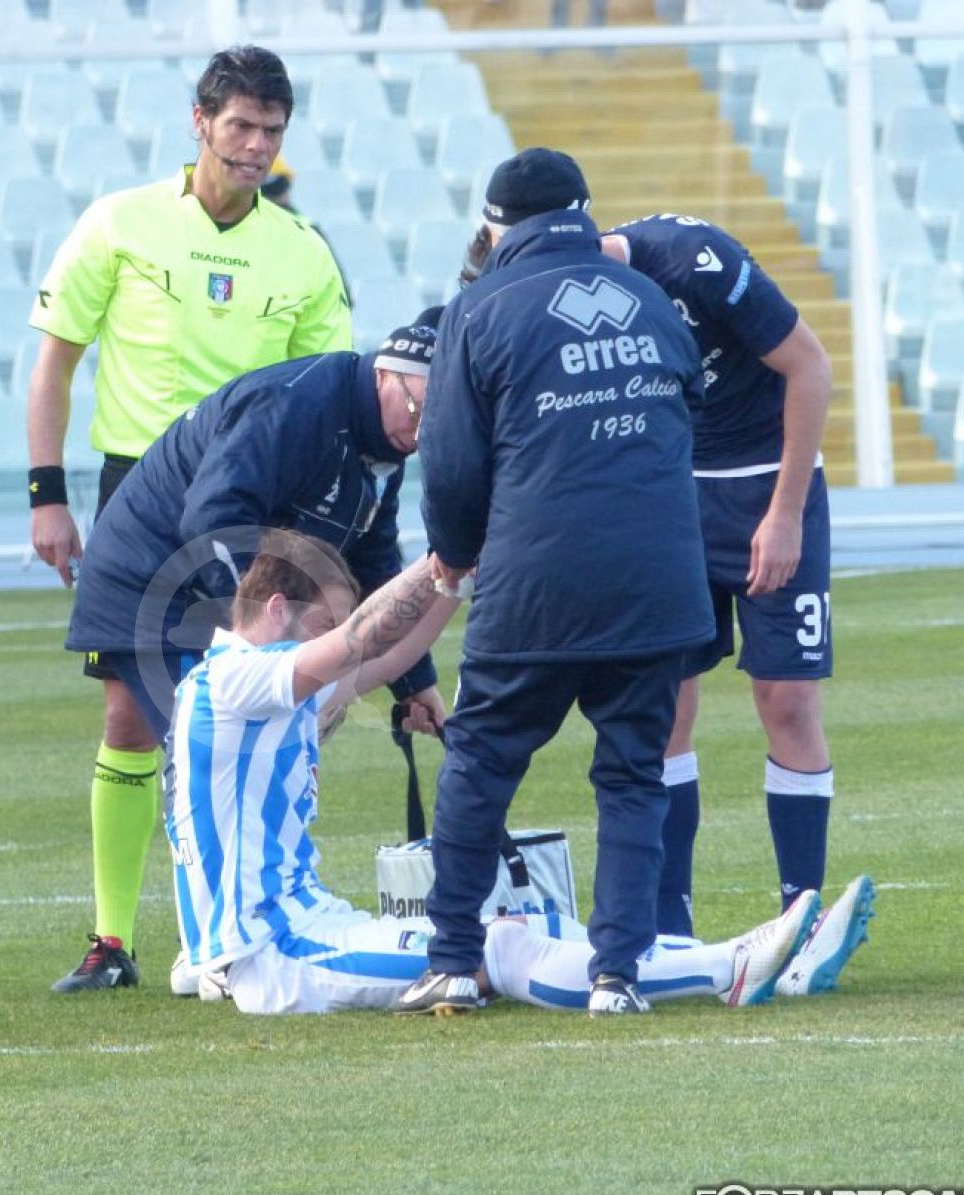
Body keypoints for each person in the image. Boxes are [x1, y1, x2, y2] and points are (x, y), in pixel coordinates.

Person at [167, 532, 838, 1016]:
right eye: (321, 621)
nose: (330, 634)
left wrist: (456, 577)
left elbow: (388, 654)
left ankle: (735, 956)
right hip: (277, 954)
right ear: (276, 609)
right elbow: (356, 641)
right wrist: (446, 549)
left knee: (535, 919)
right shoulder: (233, 682)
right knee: (502, 947)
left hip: (306, 927)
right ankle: (727, 968)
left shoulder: (253, 689)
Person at [24, 44, 357, 991]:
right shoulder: (119, 223)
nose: (255, 146)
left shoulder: (303, 251)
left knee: (257, 711)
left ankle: (231, 927)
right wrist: (47, 493)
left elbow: (326, 388)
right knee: (131, 715)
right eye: (241, 125)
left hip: (254, 504)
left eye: (272, 131)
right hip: (137, 490)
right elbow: (54, 363)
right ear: (200, 122)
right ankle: (111, 941)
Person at [402, 148, 712, 1017]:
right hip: (657, 581)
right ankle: (618, 976)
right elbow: (686, 411)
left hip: (537, 580)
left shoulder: (478, 308)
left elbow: (451, 465)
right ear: (583, 210)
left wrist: (454, 554)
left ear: (496, 227)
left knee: (480, 762)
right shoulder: (649, 298)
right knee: (634, 775)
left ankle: (453, 959)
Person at [53, 322, 447, 990]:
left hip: (236, 588)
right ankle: (206, 951)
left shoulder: (386, 441)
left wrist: (416, 680)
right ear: (385, 373)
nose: (420, 430)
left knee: (249, 740)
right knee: (197, 752)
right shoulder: (295, 405)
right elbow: (211, 518)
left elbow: (375, 560)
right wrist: (253, 639)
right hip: (156, 579)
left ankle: (211, 939)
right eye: (416, 409)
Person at [595, 214, 849, 995]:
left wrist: (785, 514)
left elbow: (811, 367)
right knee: (665, 703)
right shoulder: (566, 294)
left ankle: (800, 923)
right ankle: (670, 930)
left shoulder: (695, 259)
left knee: (788, 701)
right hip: (673, 497)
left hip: (768, 486)